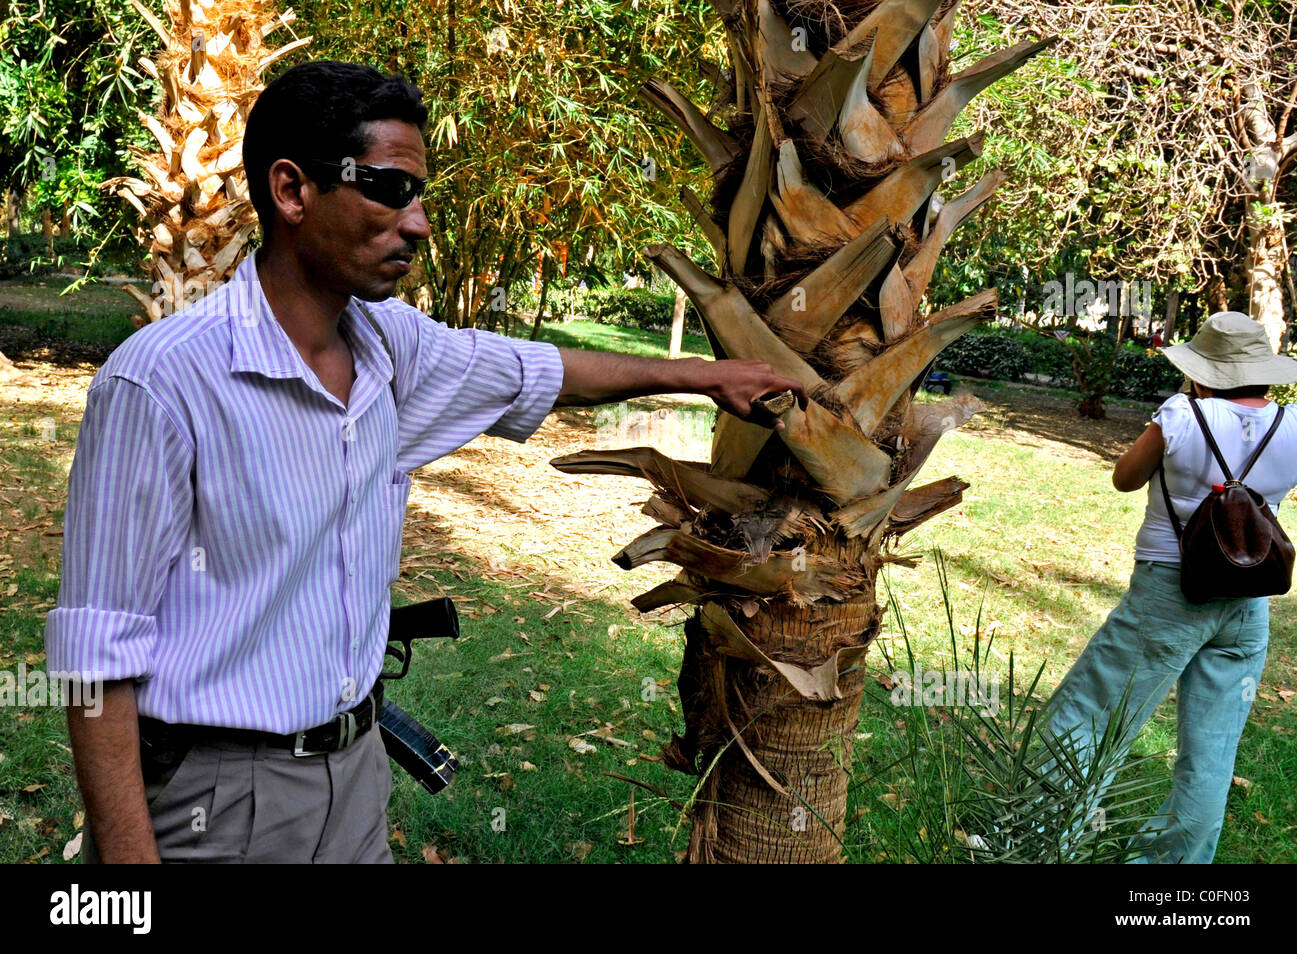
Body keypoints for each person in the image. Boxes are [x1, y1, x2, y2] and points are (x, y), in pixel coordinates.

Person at [46, 60, 806, 864]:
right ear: (292, 191)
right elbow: (97, 661)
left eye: (420, 196)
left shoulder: (390, 351)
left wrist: (705, 377)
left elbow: (539, 370)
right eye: (388, 189)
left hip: (356, 776)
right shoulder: (160, 384)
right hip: (219, 804)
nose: (419, 225)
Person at [1041, 310, 1297, 863]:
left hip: (1170, 590)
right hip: (1248, 604)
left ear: (1202, 372)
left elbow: (1124, 478)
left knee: (1092, 710)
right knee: (1212, 745)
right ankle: (1174, 869)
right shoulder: (1295, 424)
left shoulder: (1182, 414)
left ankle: (1037, 835)